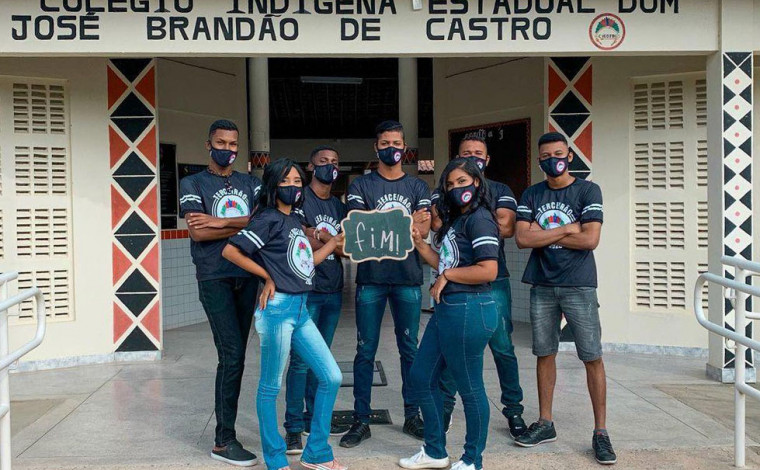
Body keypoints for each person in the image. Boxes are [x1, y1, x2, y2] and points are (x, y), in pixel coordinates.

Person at [222, 158, 346, 470]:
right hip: (278, 311)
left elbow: (305, 263)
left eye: (297, 181)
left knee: (331, 376)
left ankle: (317, 453)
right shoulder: (267, 218)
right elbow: (230, 251)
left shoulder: (292, 220)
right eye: (285, 181)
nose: (292, 186)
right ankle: (276, 459)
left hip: (301, 309)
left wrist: (332, 243)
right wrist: (267, 276)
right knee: (270, 386)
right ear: (273, 185)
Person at [513, 132, 616, 465]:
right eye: (546, 156)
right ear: (539, 160)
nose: (552, 160)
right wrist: (567, 228)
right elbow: (522, 239)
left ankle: (600, 432)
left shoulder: (588, 190)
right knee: (544, 353)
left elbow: (590, 240)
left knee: (592, 356)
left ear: (569, 156)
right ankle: (545, 423)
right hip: (542, 284)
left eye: (558, 154)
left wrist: (542, 234)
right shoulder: (532, 193)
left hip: (579, 285)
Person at [399, 157, 500, 470]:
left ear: (477, 182)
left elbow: (488, 270)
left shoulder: (480, 219)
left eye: (462, 181)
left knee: (470, 388)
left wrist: (448, 276)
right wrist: (419, 243)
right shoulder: (458, 220)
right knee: (421, 377)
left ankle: (472, 459)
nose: (456, 188)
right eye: (450, 184)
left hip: (470, 308)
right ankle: (434, 451)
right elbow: (443, 262)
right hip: (448, 309)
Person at [340, 120, 432, 448]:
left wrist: (378, 224)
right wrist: (405, 223)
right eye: (385, 143)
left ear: (404, 148)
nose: (391, 148)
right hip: (371, 280)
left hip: (408, 278)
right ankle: (361, 420)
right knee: (365, 350)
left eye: (396, 143)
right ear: (375, 147)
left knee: (410, 349)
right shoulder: (361, 186)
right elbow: (358, 229)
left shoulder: (418, 186)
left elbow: (425, 226)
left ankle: (413, 415)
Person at [179, 119, 262, 467]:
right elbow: (197, 232)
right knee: (231, 354)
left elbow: (262, 221)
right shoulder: (192, 182)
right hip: (214, 277)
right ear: (208, 145)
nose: (227, 149)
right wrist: (241, 222)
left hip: (247, 275)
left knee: (237, 356)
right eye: (221, 143)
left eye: (232, 144)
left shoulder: (251, 183)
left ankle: (226, 434)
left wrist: (219, 221)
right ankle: (223, 440)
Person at [431, 135, 526, 438]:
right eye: (466, 153)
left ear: (487, 160)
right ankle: (445, 408)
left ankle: (514, 410)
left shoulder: (501, 190)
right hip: (456, 285)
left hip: (493, 280)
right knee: (453, 347)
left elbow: (507, 227)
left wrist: (473, 218)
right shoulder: (445, 189)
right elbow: (437, 225)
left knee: (502, 347)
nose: (472, 158)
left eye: (478, 154)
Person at [284, 146, 350, 454]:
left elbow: (347, 248)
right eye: (323, 162)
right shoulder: (300, 199)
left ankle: (312, 418)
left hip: (333, 290)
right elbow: (299, 239)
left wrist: (320, 236)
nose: (330, 166)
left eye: (335, 162)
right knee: (299, 361)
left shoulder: (338, 205)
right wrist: (329, 240)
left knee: (320, 359)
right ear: (311, 166)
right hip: (306, 289)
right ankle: (293, 427)